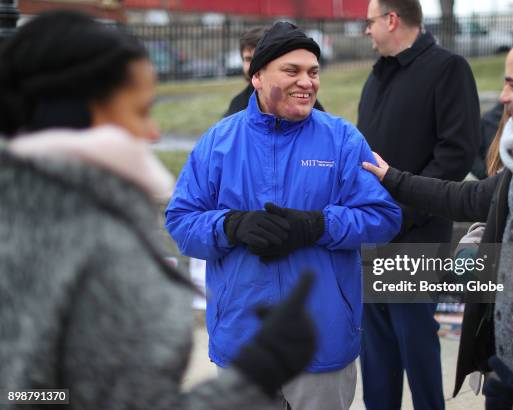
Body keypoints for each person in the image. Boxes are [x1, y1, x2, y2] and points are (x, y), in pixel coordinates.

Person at [0, 11, 317, 409]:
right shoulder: (80, 237)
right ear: (82, 111)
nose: (153, 133)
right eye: (140, 110)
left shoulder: (42, 210)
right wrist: (255, 376)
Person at [362, 30, 513, 410]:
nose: (504, 96)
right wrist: (392, 178)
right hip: (509, 373)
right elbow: (466, 197)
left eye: (512, 84)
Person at [165, 21, 402, 410]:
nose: (306, 82)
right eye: (291, 71)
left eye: (313, 72)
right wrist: (231, 225)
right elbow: (180, 221)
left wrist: (317, 225)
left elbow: (383, 217)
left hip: (321, 340)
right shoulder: (217, 143)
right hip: (243, 343)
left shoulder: (342, 139)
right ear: (257, 76)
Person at [357, 1, 480, 409]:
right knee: (376, 357)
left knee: (416, 349)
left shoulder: (447, 68)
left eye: (370, 22)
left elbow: (456, 154)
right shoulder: (376, 78)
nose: (367, 31)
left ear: (392, 19)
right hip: (373, 236)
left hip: (418, 237)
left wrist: (403, 211)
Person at [223, 26, 324, 117]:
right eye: (248, 59)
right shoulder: (238, 105)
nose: (255, 65)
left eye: (258, 59)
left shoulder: (306, 102)